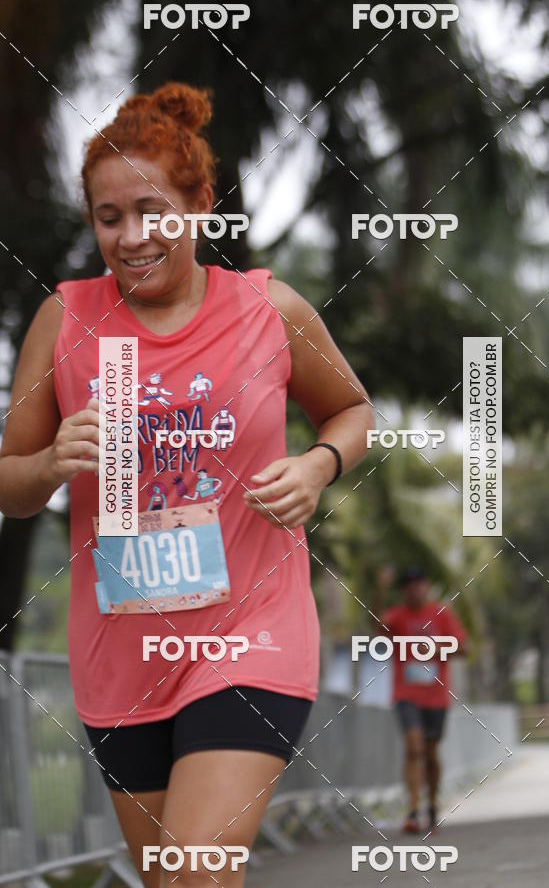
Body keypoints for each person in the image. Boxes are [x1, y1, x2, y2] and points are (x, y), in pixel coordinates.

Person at [0, 82, 375, 888]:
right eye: (110, 218)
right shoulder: (65, 320)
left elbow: (351, 410)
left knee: (198, 871)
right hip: (120, 653)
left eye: (153, 211)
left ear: (201, 205)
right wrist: (52, 463)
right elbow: (10, 484)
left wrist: (319, 464)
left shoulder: (269, 310)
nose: (132, 237)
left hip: (250, 634)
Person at [375, 564, 467, 835]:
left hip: (436, 697)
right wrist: (379, 589)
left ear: (427, 586)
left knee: (430, 753)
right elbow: (377, 625)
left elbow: (464, 648)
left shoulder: (442, 614)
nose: (415, 589)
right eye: (409, 585)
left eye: (420, 583)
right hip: (406, 695)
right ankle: (413, 811)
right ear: (403, 590)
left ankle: (433, 806)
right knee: (413, 748)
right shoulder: (398, 616)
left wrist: (435, 648)